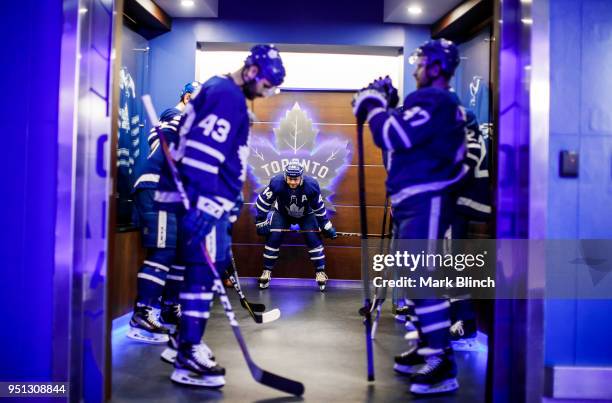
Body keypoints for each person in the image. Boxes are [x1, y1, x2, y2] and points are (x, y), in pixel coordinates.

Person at [153, 44, 285, 388]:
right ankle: (188, 355)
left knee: (194, 271)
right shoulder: (226, 95)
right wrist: (207, 205)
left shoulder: (222, 91)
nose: (268, 93)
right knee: (200, 274)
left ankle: (181, 342)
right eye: (267, 84)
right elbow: (201, 154)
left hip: (204, 199)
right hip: (205, 200)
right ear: (253, 72)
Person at [352, 38, 466, 395]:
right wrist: (390, 106)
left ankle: (441, 360)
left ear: (434, 68)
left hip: (426, 199)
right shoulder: (434, 104)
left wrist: (374, 104)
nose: (415, 68)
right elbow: (406, 135)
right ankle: (426, 346)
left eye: (420, 63)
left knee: (420, 277)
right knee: (413, 277)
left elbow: (393, 134)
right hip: (412, 201)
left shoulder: (437, 100)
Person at [127, 81, 201, 344]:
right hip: (154, 186)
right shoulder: (175, 116)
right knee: (164, 250)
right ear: (188, 97)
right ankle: (142, 313)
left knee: (181, 252)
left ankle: (170, 308)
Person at [255, 162, 337, 291]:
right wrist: (260, 221)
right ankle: (266, 271)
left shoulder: (311, 185)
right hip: (282, 213)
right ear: (285, 176)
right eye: (290, 179)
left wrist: (326, 225)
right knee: (273, 238)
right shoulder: (276, 182)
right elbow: (262, 201)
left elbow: (319, 208)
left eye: (296, 179)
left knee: (313, 239)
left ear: (301, 177)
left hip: (306, 214)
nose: (293, 182)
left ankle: (320, 272)